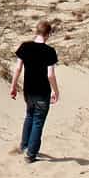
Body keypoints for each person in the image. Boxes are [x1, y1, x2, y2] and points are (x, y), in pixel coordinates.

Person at [9, 19, 59, 163]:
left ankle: (24, 145)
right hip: (42, 92)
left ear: (36, 31)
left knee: (29, 116)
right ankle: (31, 154)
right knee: (38, 121)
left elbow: (18, 68)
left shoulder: (25, 47)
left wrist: (13, 86)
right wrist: (56, 92)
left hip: (28, 91)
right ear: (48, 34)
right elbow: (50, 75)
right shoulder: (49, 51)